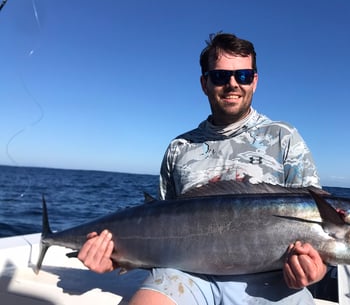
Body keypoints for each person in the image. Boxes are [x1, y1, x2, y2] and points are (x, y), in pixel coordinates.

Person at [78, 33, 328, 304]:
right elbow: (160, 230)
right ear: (204, 83)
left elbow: (318, 225)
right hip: (186, 275)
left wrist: (315, 269)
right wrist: (115, 258)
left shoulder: (284, 137)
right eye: (221, 76)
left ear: (254, 82)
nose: (232, 84)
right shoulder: (180, 147)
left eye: (242, 76)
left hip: (272, 279)